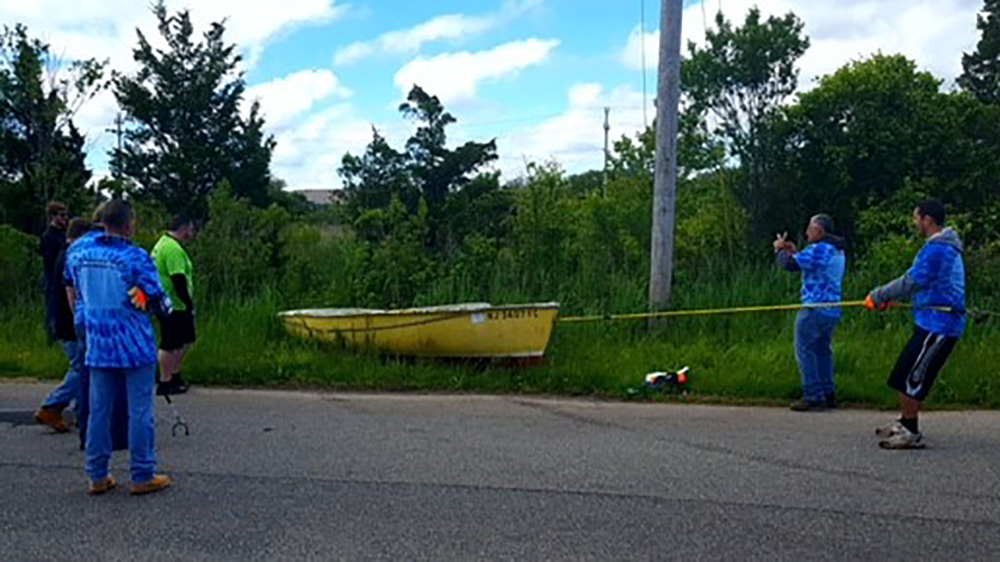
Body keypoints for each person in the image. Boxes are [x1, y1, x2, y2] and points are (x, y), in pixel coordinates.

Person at [67, 198, 172, 495]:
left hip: (98, 342)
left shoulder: (79, 255)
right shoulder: (134, 257)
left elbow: (78, 296)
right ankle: (142, 474)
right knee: (139, 410)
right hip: (133, 343)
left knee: (99, 410)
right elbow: (159, 300)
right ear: (128, 224)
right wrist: (156, 307)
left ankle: (97, 474)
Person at [866, 199, 965, 450]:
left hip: (940, 326)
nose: (914, 222)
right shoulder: (937, 246)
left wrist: (879, 295)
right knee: (902, 372)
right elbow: (923, 285)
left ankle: (911, 431)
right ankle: (904, 421)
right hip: (929, 321)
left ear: (927, 220)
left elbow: (911, 281)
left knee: (913, 377)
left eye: (915, 217)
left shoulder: (939, 250)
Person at [774, 214, 847, 412]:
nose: (807, 232)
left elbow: (789, 265)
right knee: (823, 351)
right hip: (832, 309)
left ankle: (813, 395)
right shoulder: (836, 250)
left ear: (819, 231)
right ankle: (827, 392)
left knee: (805, 351)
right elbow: (807, 263)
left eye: (810, 228)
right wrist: (794, 252)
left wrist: (780, 249)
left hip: (814, 308)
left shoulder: (819, 249)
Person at [34, 217, 91, 432]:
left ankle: (80, 410)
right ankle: (52, 405)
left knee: (81, 367)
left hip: (63, 320)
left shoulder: (64, 254)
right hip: (70, 323)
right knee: (80, 368)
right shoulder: (72, 256)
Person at [151, 216, 197, 395]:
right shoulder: (172, 249)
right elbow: (178, 279)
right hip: (174, 304)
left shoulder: (162, 244)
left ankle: (173, 374)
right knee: (170, 343)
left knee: (183, 341)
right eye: (191, 229)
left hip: (168, 302)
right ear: (183, 228)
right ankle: (165, 380)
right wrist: (188, 303)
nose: (192, 234)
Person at [41, 202, 69, 342]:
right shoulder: (48, 237)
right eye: (61, 215)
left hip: (63, 278)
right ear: (53, 216)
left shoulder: (63, 234)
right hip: (52, 279)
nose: (65, 218)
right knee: (52, 311)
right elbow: (48, 262)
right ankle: (51, 338)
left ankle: (61, 336)